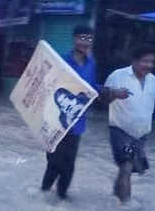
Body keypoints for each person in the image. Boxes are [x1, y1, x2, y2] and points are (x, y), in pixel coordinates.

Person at [41, 25, 120, 199]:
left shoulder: (92, 63)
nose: (85, 42)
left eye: (89, 39)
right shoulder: (61, 61)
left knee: (69, 163)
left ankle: (62, 199)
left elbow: (90, 87)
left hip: (77, 120)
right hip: (56, 119)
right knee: (54, 162)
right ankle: (43, 194)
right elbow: (49, 85)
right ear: (74, 39)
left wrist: (109, 91)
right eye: (82, 38)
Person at [102, 45, 155, 204]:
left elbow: (152, 104)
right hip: (120, 130)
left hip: (141, 134)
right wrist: (115, 94)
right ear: (134, 61)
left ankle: (115, 199)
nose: (149, 65)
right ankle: (126, 207)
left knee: (126, 170)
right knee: (126, 168)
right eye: (145, 61)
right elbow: (103, 99)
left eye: (151, 62)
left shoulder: (152, 80)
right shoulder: (118, 75)